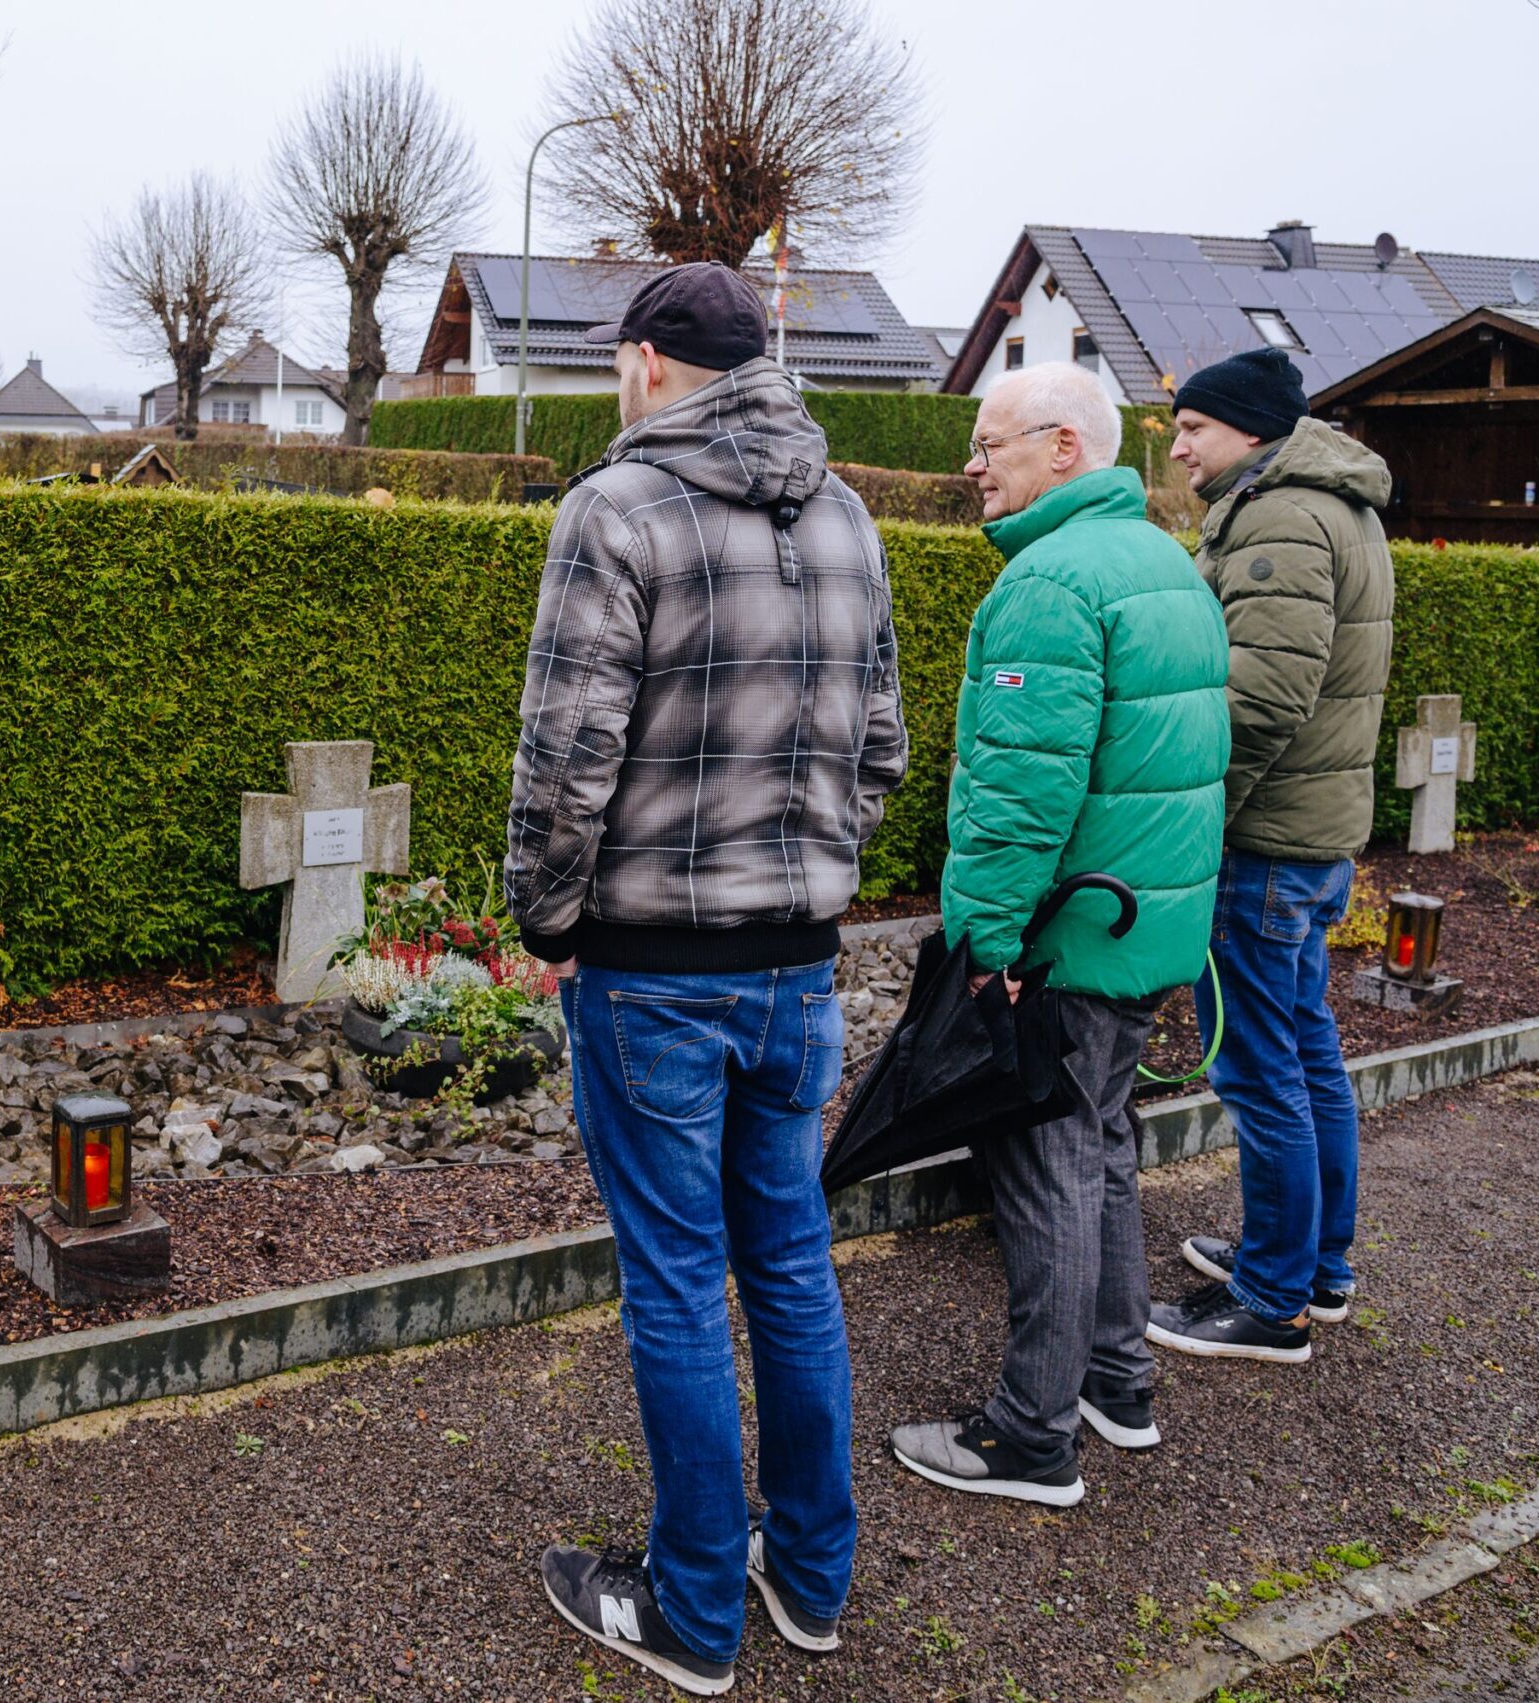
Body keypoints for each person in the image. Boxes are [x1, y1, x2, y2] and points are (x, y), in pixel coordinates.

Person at [507, 262, 906, 1697]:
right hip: (798, 964)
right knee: (789, 1261)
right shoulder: (850, 513)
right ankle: (807, 1576)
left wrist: (548, 923)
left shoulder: (615, 510)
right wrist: (808, 875)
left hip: (654, 970)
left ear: (649, 362)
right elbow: (882, 751)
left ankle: (690, 1612)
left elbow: (567, 758)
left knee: (677, 1281)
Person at [886, 362, 1228, 1507]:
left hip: (1069, 930)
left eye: (992, 445)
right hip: (1139, 919)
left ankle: (1030, 1433)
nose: (971, 466)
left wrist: (986, 942)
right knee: (1104, 1144)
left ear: (1064, 450)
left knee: (1043, 1164)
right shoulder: (1160, 562)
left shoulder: (1048, 582)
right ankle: (1114, 1379)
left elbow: (1021, 792)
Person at [1147, 347, 1394, 1365]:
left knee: (1259, 1070)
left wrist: (1197, 829)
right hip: (1309, 834)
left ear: (1247, 429)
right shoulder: (1327, 501)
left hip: (1263, 843)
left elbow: (1260, 701)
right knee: (1303, 1050)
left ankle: (1273, 1299)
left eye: (1193, 429)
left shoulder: (1284, 515)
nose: (1179, 445)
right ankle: (1315, 1264)